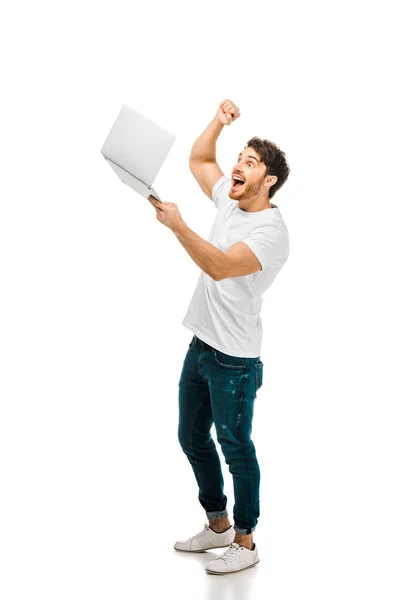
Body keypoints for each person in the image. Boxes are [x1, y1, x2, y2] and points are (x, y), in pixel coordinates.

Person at [148, 99, 290, 574]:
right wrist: (219, 122)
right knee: (191, 437)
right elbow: (200, 160)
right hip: (202, 344)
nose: (237, 166)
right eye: (241, 157)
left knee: (236, 446)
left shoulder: (272, 231)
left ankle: (246, 542)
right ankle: (218, 524)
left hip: (235, 359)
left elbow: (221, 266)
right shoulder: (229, 199)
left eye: (251, 163)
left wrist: (178, 226)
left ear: (268, 181)